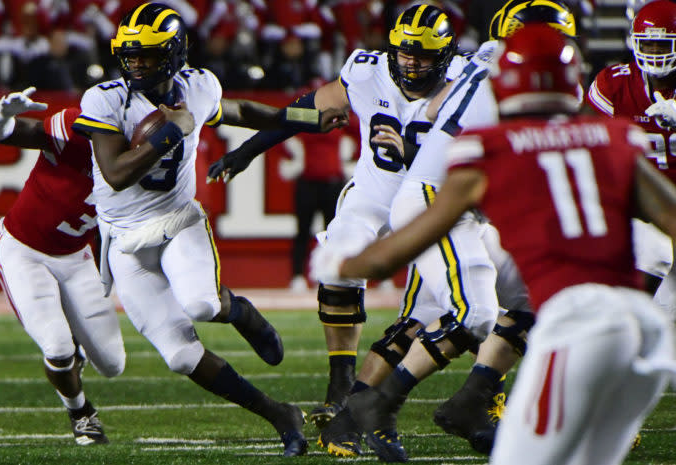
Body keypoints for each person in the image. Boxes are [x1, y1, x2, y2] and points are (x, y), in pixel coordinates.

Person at [312, 24, 676, 465]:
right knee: (512, 307)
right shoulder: (617, 140)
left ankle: (385, 402)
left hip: (577, 327)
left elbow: (406, 240)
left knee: (478, 318)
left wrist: (345, 262)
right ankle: (470, 396)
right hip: (645, 332)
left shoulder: (494, 146)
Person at [70, 3, 345, 456]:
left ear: (175, 52)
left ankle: (240, 312)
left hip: (178, 222)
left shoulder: (198, 86)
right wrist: (169, 133)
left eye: (149, 54)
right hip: (124, 240)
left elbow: (238, 109)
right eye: (131, 54)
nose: (137, 63)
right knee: (180, 356)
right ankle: (279, 413)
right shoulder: (105, 98)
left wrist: (304, 121)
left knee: (200, 303)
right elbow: (116, 172)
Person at [208, 3, 466, 430]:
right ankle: (341, 387)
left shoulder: (467, 82)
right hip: (374, 192)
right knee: (337, 264)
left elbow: (482, 150)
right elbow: (306, 109)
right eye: (405, 53)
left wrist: (415, 152)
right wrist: (248, 149)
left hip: (432, 199)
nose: (412, 63)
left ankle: (481, 395)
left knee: (456, 304)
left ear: (445, 54)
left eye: (423, 55)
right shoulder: (368, 72)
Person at [0, 87, 126, 446]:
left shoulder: (142, 157)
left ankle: (74, 345)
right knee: (57, 346)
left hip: (76, 258)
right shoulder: (75, 131)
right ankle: (81, 414)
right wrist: (2, 114)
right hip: (23, 248)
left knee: (112, 364)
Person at [586, 0, 676, 319]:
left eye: (662, 44)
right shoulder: (615, 83)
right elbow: (589, 144)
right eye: (648, 43)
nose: (654, 52)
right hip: (645, 209)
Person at [280, 120, 355, 292]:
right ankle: (298, 276)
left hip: (332, 183)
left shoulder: (339, 122)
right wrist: (293, 160)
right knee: (302, 231)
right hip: (308, 183)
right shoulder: (306, 122)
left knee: (332, 232)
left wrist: (349, 159)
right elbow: (282, 131)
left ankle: (329, 273)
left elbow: (360, 130)